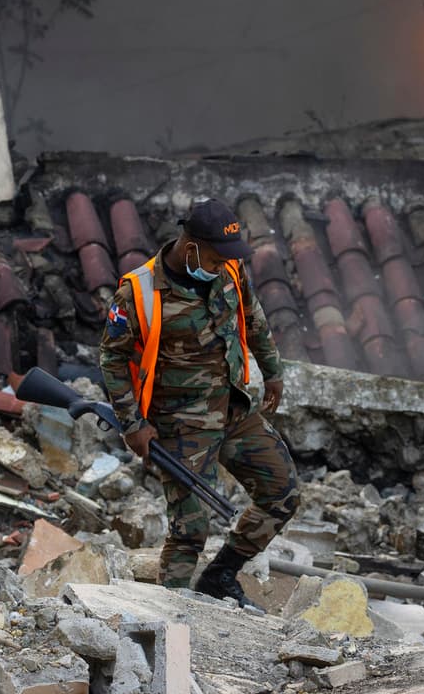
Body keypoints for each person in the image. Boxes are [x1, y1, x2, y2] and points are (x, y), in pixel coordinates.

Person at [99, 198, 299, 607]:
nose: (222, 263)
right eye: (214, 255)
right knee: (190, 530)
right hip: (179, 427)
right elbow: (112, 358)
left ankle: (220, 576)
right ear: (189, 246)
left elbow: (254, 315)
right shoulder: (137, 291)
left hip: (233, 410)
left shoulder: (229, 268)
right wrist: (132, 424)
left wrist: (272, 370)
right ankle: (166, 621)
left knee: (283, 494)